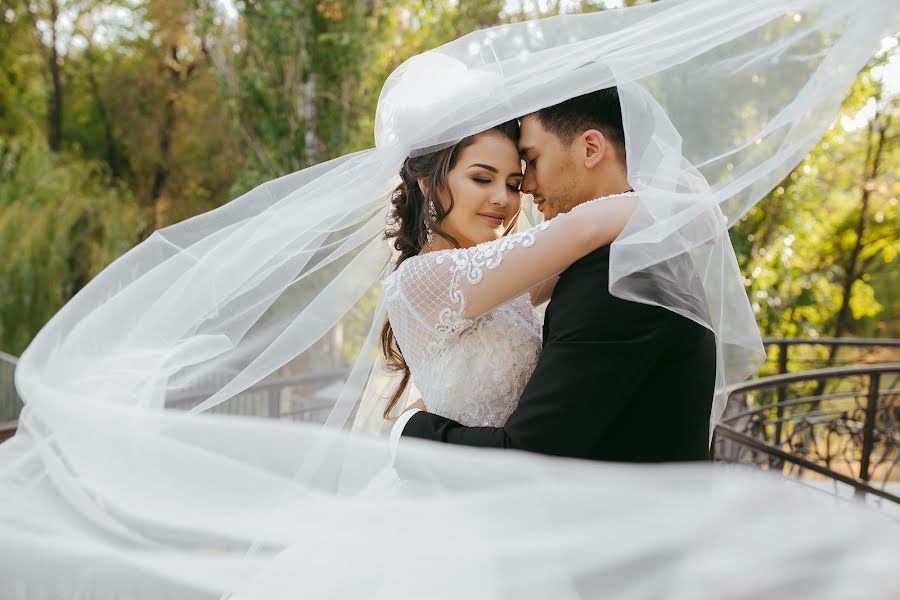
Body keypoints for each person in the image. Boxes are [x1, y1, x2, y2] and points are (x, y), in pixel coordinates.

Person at [390, 89, 716, 463]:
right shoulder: (426, 278)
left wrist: (410, 431)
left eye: (518, 176)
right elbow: (581, 230)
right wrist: (672, 204)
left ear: (591, 149)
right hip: (479, 490)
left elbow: (581, 233)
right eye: (482, 179)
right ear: (429, 182)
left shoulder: (616, 269)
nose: (514, 195)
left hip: (513, 488)